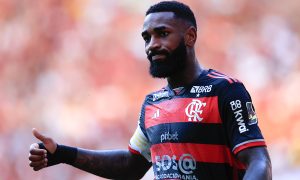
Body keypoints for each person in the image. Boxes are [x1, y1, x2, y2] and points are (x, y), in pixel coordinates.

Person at [29, 1, 272, 179]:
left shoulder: (226, 91)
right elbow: (130, 165)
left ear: (190, 36)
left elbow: (259, 163)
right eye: (146, 37)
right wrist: (62, 153)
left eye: (162, 34)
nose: (152, 45)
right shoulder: (153, 104)